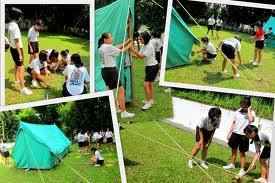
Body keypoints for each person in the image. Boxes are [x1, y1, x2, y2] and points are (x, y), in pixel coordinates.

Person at [98, 32, 135, 118]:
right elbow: (120, 51)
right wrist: (129, 46)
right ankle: (123, 112)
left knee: (110, 90)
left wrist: (126, 42)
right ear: (105, 39)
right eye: (110, 37)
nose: (112, 38)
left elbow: (115, 47)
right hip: (111, 71)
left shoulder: (101, 47)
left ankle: (115, 108)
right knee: (121, 90)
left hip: (104, 71)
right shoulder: (108, 47)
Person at [223, 97, 256, 177]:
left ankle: (242, 169)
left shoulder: (251, 113)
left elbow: (251, 120)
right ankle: (232, 164)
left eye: (244, 106)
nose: (242, 107)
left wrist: (248, 110)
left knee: (242, 153)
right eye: (241, 105)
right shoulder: (237, 111)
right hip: (235, 133)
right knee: (233, 150)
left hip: (244, 135)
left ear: (248, 106)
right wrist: (229, 133)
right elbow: (234, 123)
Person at [130, 32, 159, 110]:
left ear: (146, 38)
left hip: (152, 67)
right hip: (149, 67)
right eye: (139, 39)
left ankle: (148, 102)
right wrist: (131, 53)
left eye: (141, 39)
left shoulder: (149, 46)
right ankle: (150, 100)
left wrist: (133, 49)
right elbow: (138, 55)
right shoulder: (144, 46)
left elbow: (142, 56)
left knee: (145, 85)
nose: (140, 40)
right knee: (149, 84)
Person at [8, 7, 32, 95]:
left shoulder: (10, 24)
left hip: (12, 48)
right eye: (20, 16)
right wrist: (20, 55)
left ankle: (17, 80)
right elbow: (17, 41)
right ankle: (22, 88)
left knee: (16, 64)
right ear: (17, 16)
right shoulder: (15, 26)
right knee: (21, 68)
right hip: (17, 49)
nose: (21, 17)